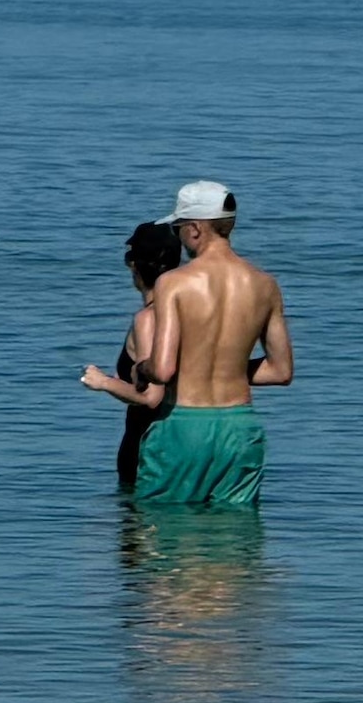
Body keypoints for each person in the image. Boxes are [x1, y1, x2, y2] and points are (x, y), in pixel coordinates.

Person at [79, 178, 293, 507]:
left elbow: (162, 370)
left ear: (195, 229)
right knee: (236, 541)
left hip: (184, 426)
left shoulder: (174, 284)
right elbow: (280, 371)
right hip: (239, 426)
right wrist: (226, 368)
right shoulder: (266, 285)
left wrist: (140, 369)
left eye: (179, 226)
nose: (179, 234)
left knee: (168, 537)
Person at [101, 218, 188, 497]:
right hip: (187, 437)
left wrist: (103, 382)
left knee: (140, 537)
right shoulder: (191, 313)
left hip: (147, 446)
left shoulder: (149, 319)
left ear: (133, 266)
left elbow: (151, 396)